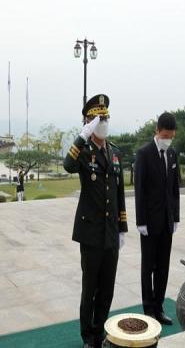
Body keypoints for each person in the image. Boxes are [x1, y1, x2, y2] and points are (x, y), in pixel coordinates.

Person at [64, 94, 128, 348]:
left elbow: (119, 193)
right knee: (89, 288)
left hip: (111, 232)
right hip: (90, 233)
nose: (103, 122)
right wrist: (82, 136)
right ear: (89, 122)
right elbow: (68, 164)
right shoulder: (83, 151)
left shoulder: (114, 152)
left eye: (106, 118)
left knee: (107, 289)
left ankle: (100, 331)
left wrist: (122, 227)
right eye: (98, 119)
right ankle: (88, 337)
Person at [134, 112, 180, 325]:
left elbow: (174, 188)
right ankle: (148, 309)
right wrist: (140, 220)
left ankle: (159, 307)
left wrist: (176, 216)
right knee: (148, 266)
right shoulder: (143, 154)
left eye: (171, 136)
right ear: (157, 131)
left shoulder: (172, 154)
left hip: (167, 221)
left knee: (163, 266)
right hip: (150, 222)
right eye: (165, 135)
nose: (167, 139)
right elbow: (140, 189)